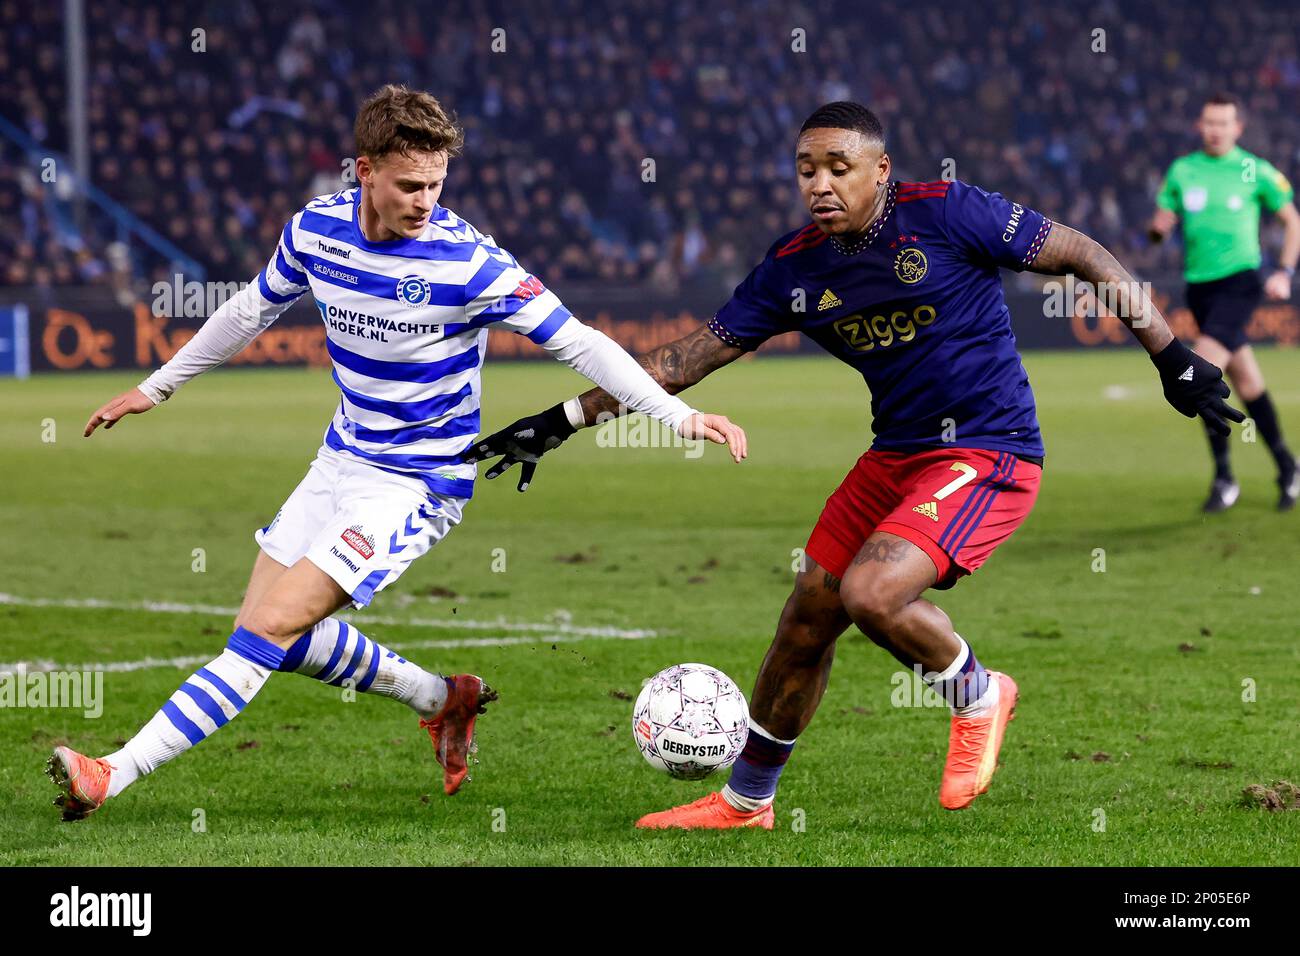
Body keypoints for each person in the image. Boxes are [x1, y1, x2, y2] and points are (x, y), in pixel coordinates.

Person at [466, 101, 1244, 828]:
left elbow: (1085, 254)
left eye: (839, 166)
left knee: (874, 594)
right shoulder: (795, 268)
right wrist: (562, 420)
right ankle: (747, 800)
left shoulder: (947, 211)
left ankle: (980, 694)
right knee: (809, 612)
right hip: (896, 456)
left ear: (881, 170)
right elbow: (682, 360)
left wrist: (1171, 355)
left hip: (987, 448)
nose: (820, 184)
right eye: (807, 169)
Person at [48, 84, 747, 822]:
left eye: (438, 184)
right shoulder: (317, 229)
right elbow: (251, 308)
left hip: (415, 484)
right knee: (269, 635)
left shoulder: (468, 261)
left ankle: (110, 773)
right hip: (339, 460)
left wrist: (676, 414)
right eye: (411, 184)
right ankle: (443, 699)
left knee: (264, 632)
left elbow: (580, 341)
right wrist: (156, 390)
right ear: (364, 171)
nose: (426, 200)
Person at [1150, 92, 1300, 512]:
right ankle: (1288, 467)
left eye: (1224, 123)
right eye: (1209, 122)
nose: (1216, 130)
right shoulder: (1183, 170)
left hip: (1240, 282)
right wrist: (1158, 231)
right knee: (1248, 384)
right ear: (1200, 126)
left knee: (1196, 371)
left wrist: (1284, 273)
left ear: (1238, 128)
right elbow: (1159, 228)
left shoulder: (1255, 169)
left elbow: (1292, 221)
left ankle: (1224, 478)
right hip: (1200, 288)